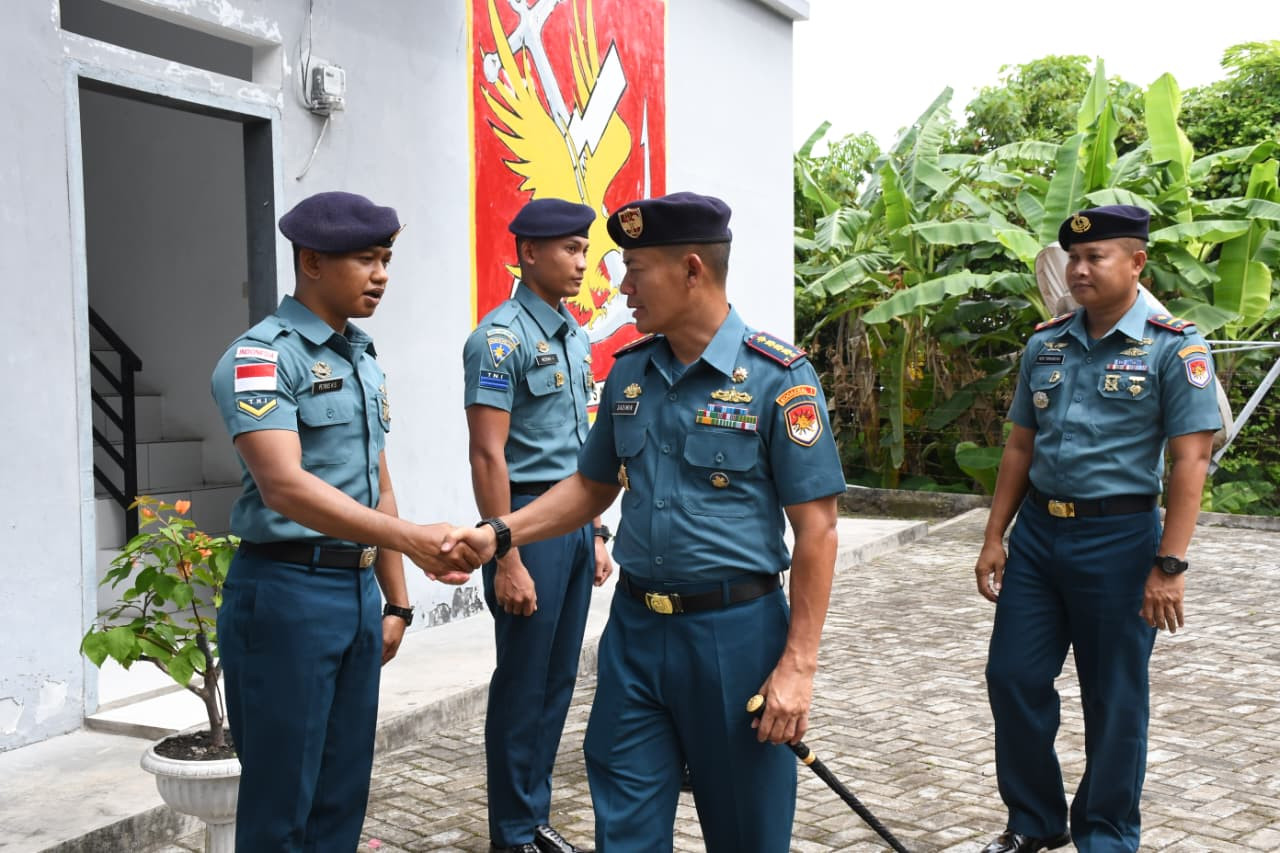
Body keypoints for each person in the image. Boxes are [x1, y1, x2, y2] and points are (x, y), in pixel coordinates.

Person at [444, 191, 846, 852]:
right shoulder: (632, 372)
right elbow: (590, 484)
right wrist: (503, 533)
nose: (620, 285)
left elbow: (818, 530)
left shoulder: (778, 378)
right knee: (624, 828)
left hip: (735, 640)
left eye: (636, 269)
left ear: (692, 270)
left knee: (746, 831)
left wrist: (798, 665)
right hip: (635, 637)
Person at [211, 191, 478, 851]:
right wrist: (410, 539)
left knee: (341, 799)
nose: (382, 273)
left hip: (356, 595)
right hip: (286, 594)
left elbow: (376, 483)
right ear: (311, 261)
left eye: (386, 258)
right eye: (366, 258)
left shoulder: (359, 356)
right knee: (282, 806)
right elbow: (284, 486)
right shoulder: (262, 357)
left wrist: (397, 598)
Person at [974, 205, 1222, 853]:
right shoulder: (1045, 343)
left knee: (1113, 698)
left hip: (1120, 539)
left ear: (1137, 262)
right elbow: (1019, 447)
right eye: (1074, 258)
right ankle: (1035, 819)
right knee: (1012, 676)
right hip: (1037, 539)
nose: (1079, 269)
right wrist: (994, 534)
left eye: (1096, 257)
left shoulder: (1175, 347)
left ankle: (1107, 831)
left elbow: (1190, 458)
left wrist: (1170, 565)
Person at [463, 197, 614, 853]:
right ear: (529, 252)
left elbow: (581, 442)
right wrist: (507, 555)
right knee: (523, 681)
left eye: (584, 248)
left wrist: (598, 530)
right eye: (570, 249)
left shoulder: (573, 333)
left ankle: (535, 817)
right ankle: (512, 832)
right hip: (525, 523)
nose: (583, 261)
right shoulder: (498, 340)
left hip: (574, 523)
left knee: (557, 681)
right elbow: (487, 453)